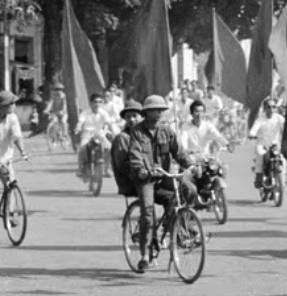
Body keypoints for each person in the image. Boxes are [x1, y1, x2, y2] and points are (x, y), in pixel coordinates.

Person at [126, 95, 196, 268]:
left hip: (164, 176)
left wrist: (191, 165)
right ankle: (144, 254)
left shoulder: (167, 130)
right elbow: (135, 155)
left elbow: (179, 153)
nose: (160, 113)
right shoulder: (137, 132)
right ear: (147, 112)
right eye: (156, 110)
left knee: (189, 189)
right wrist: (141, 170)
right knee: (148, 214)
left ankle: (179, 229)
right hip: (146, 179)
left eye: (162, 110)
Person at [74, 92, 115, 179]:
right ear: (91, 103)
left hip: (100, 134)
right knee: (82, 148)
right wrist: (78, 127)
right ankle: (80, 169)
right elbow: (80, 122)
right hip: (87, 134)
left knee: (110, 148)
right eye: (95, 101)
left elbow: (109, 122)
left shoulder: (103, 113)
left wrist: (113, 130)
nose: (97, 104)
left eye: (100, 102)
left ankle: (107, 168)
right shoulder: (85, 112)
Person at [248, 99, 285, 189]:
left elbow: (285, 127)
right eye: (269, 107)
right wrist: (252, 134)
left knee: (283, 158)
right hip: (262, 145)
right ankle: (258, 178)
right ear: (264, 108)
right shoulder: (260, 119)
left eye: (273, 107)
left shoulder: (279, 118)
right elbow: (254, 128)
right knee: (260, 156)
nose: (271, 109)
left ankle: (282, 178)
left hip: (275, 145)